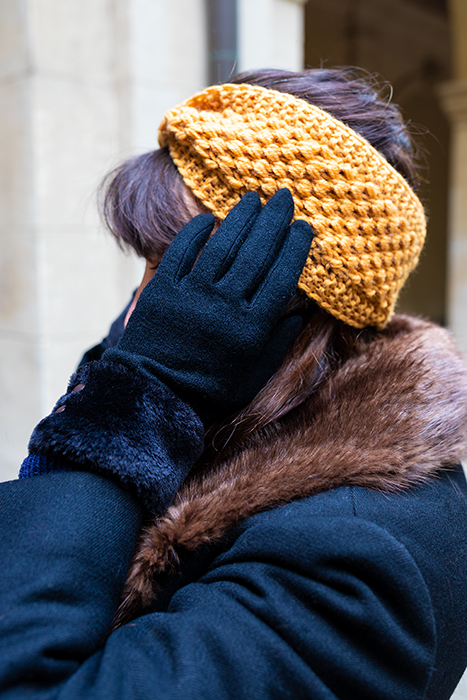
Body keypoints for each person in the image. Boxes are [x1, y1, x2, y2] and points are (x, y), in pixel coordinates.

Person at [1, 68, 467, 700]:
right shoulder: (230, 415)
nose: (140, 317)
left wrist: (133, 403)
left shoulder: (356, 556)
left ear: (282, 311)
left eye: (175, 275)